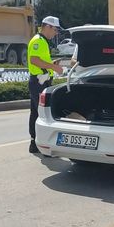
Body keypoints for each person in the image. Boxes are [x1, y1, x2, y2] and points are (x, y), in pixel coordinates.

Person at [28, 16, 64, 153]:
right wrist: (54, 68)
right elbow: (34, 60)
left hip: (40, 80)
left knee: (36, 113)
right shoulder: (38, 41)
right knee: (44, 113)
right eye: (55, 30)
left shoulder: (42, 41)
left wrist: (51, 65)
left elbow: (40, 61)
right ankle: (42, 144)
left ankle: (34, 143)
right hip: (39, 82)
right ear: (47, 27)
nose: (55, 33)